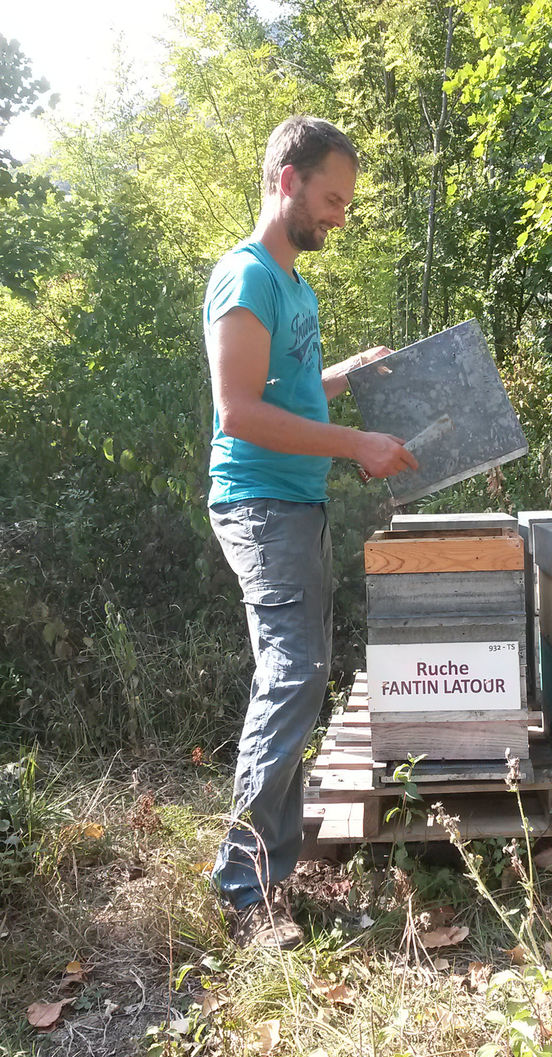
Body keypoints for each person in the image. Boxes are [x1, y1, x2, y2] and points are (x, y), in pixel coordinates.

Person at [203, 116, 418, 949]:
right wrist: (357, 444)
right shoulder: (246, 276)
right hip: (259, 503)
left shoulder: (298, 288)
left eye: (346, 205)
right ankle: (243, 888)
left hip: (300, 506)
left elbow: (288, 391)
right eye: (331, 199)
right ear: (286, 180)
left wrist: (348, 373)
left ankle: (270, 873)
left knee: (300, 673)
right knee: (294, 675)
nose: (339, 216)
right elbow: (241, 411)